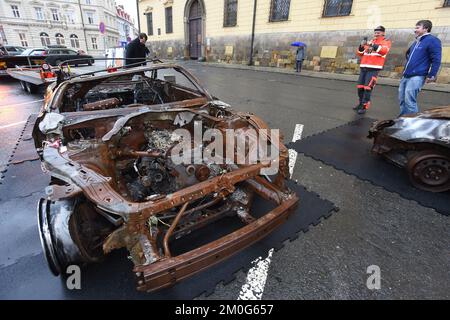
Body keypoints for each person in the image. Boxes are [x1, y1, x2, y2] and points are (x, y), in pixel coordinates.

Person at [399, 20, 442, 116]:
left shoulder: (433, 41)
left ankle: (413, 122)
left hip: (417, 75)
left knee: (409, 101)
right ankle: (403, 118)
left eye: (418, 27)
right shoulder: (417, 41)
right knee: (402, 99)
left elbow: (436, 59)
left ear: (426, 28)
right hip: (406, 75)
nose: (415, 30)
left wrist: (432, 74)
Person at [354, 26, 391, 115]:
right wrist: (361, 46)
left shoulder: (386, 42)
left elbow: (383, 51)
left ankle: (364, 106)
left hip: (373, 69)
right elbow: (360, 54)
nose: (376, 34)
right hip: (364, 67)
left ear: (383, 33)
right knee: (360, 87)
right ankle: (360, 103)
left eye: (378, 33)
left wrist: (372, 45)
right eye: (375, 32)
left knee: (368, 88)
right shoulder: (371, 42)